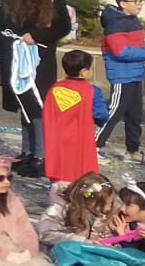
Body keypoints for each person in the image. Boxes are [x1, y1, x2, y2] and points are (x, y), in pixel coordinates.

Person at [0, 0, 73, 178]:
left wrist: (36, 35)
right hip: (12, 56)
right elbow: (0, 26)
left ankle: (41, 155)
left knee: (37, 105)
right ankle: (27, 151)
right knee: (22, 105)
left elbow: (63, 26)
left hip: (38, 59)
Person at [38, 173, 145, 266]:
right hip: (63, 252)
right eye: (106, 204)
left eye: (110, 204)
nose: (108, 208)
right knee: (69, 250)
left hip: (90, 252)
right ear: (90, 202)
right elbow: (44, 234)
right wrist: (82, 241)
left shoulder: (103, 214)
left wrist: (110, 242)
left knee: (105, 257)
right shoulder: (59, 209)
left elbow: (105, 235)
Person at [96, 0, 145, 158]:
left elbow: (136, 46)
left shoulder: (133, 20)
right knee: (114, 112)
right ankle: (93, 145)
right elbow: (121, 51)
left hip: (135, 74)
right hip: (122, 75)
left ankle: (132, 149)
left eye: (141, 0)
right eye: (135, 1)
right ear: (123, 4)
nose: (139, 4)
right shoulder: (115, 23)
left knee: (134, 114)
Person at [43, 49, 102, 184]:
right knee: (82, 175)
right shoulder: (92, 91)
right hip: (80, 140)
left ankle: (57, 197)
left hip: (56, 139)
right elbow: (101, 114)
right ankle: (79, 199)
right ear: (83, 72)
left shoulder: (55, 88)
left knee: (59, 171)